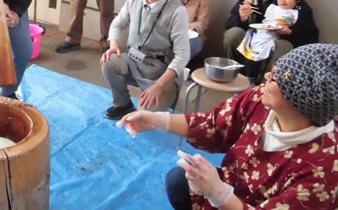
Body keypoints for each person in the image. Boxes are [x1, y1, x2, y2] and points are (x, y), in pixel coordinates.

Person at [120, 43, 338, 209]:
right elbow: (213, 124)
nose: (266, 76)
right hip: (232, 188)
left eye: (278, 77)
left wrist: (220, 194)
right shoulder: (259, 99)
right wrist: (157, 119)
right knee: (178, 180)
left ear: (301, 100)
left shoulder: (323, 169)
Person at [100, 0, 190, 119]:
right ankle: (123, 104)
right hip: (134, 60)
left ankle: (167, 95)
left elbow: (182, 56)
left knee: (143, 117)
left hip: (160, 72)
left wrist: (159, 85)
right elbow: (117, 24)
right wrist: (114, 46)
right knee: (109, 61)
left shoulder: (177, 11)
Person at [237, 0, 319, 83]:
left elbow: (306, 31)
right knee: (253, 47)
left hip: (284, 41)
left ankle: (265, 81)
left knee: (271, 48)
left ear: (298, 0)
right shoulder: (273, 6)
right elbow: (264, 20)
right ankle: (248, 76)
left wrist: (290, 32)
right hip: (264, 34)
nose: (283, 0)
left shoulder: (302, 11)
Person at [223, 0, 288, 67]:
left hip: (273, 41)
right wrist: (241, 18)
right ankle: (235, 73)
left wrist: (289, 32)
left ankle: (267, 82)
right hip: (249, 40)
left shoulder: (290, 1)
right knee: (232, 34)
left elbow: (309, 35)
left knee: (283, 45)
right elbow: (228, 25)